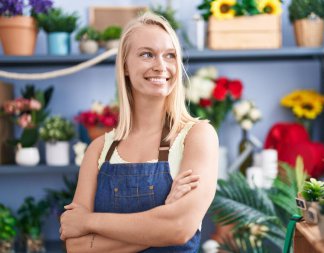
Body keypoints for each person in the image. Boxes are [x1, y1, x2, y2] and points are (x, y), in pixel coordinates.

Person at [59, 12, 219, 252]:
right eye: (147, 54)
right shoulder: (99, 150)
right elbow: (77, 246)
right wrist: (161, 219)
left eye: (170, 55)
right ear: (124, 65)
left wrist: (88, 222)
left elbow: (179, 228)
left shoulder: (197, 136)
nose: (161, 66)